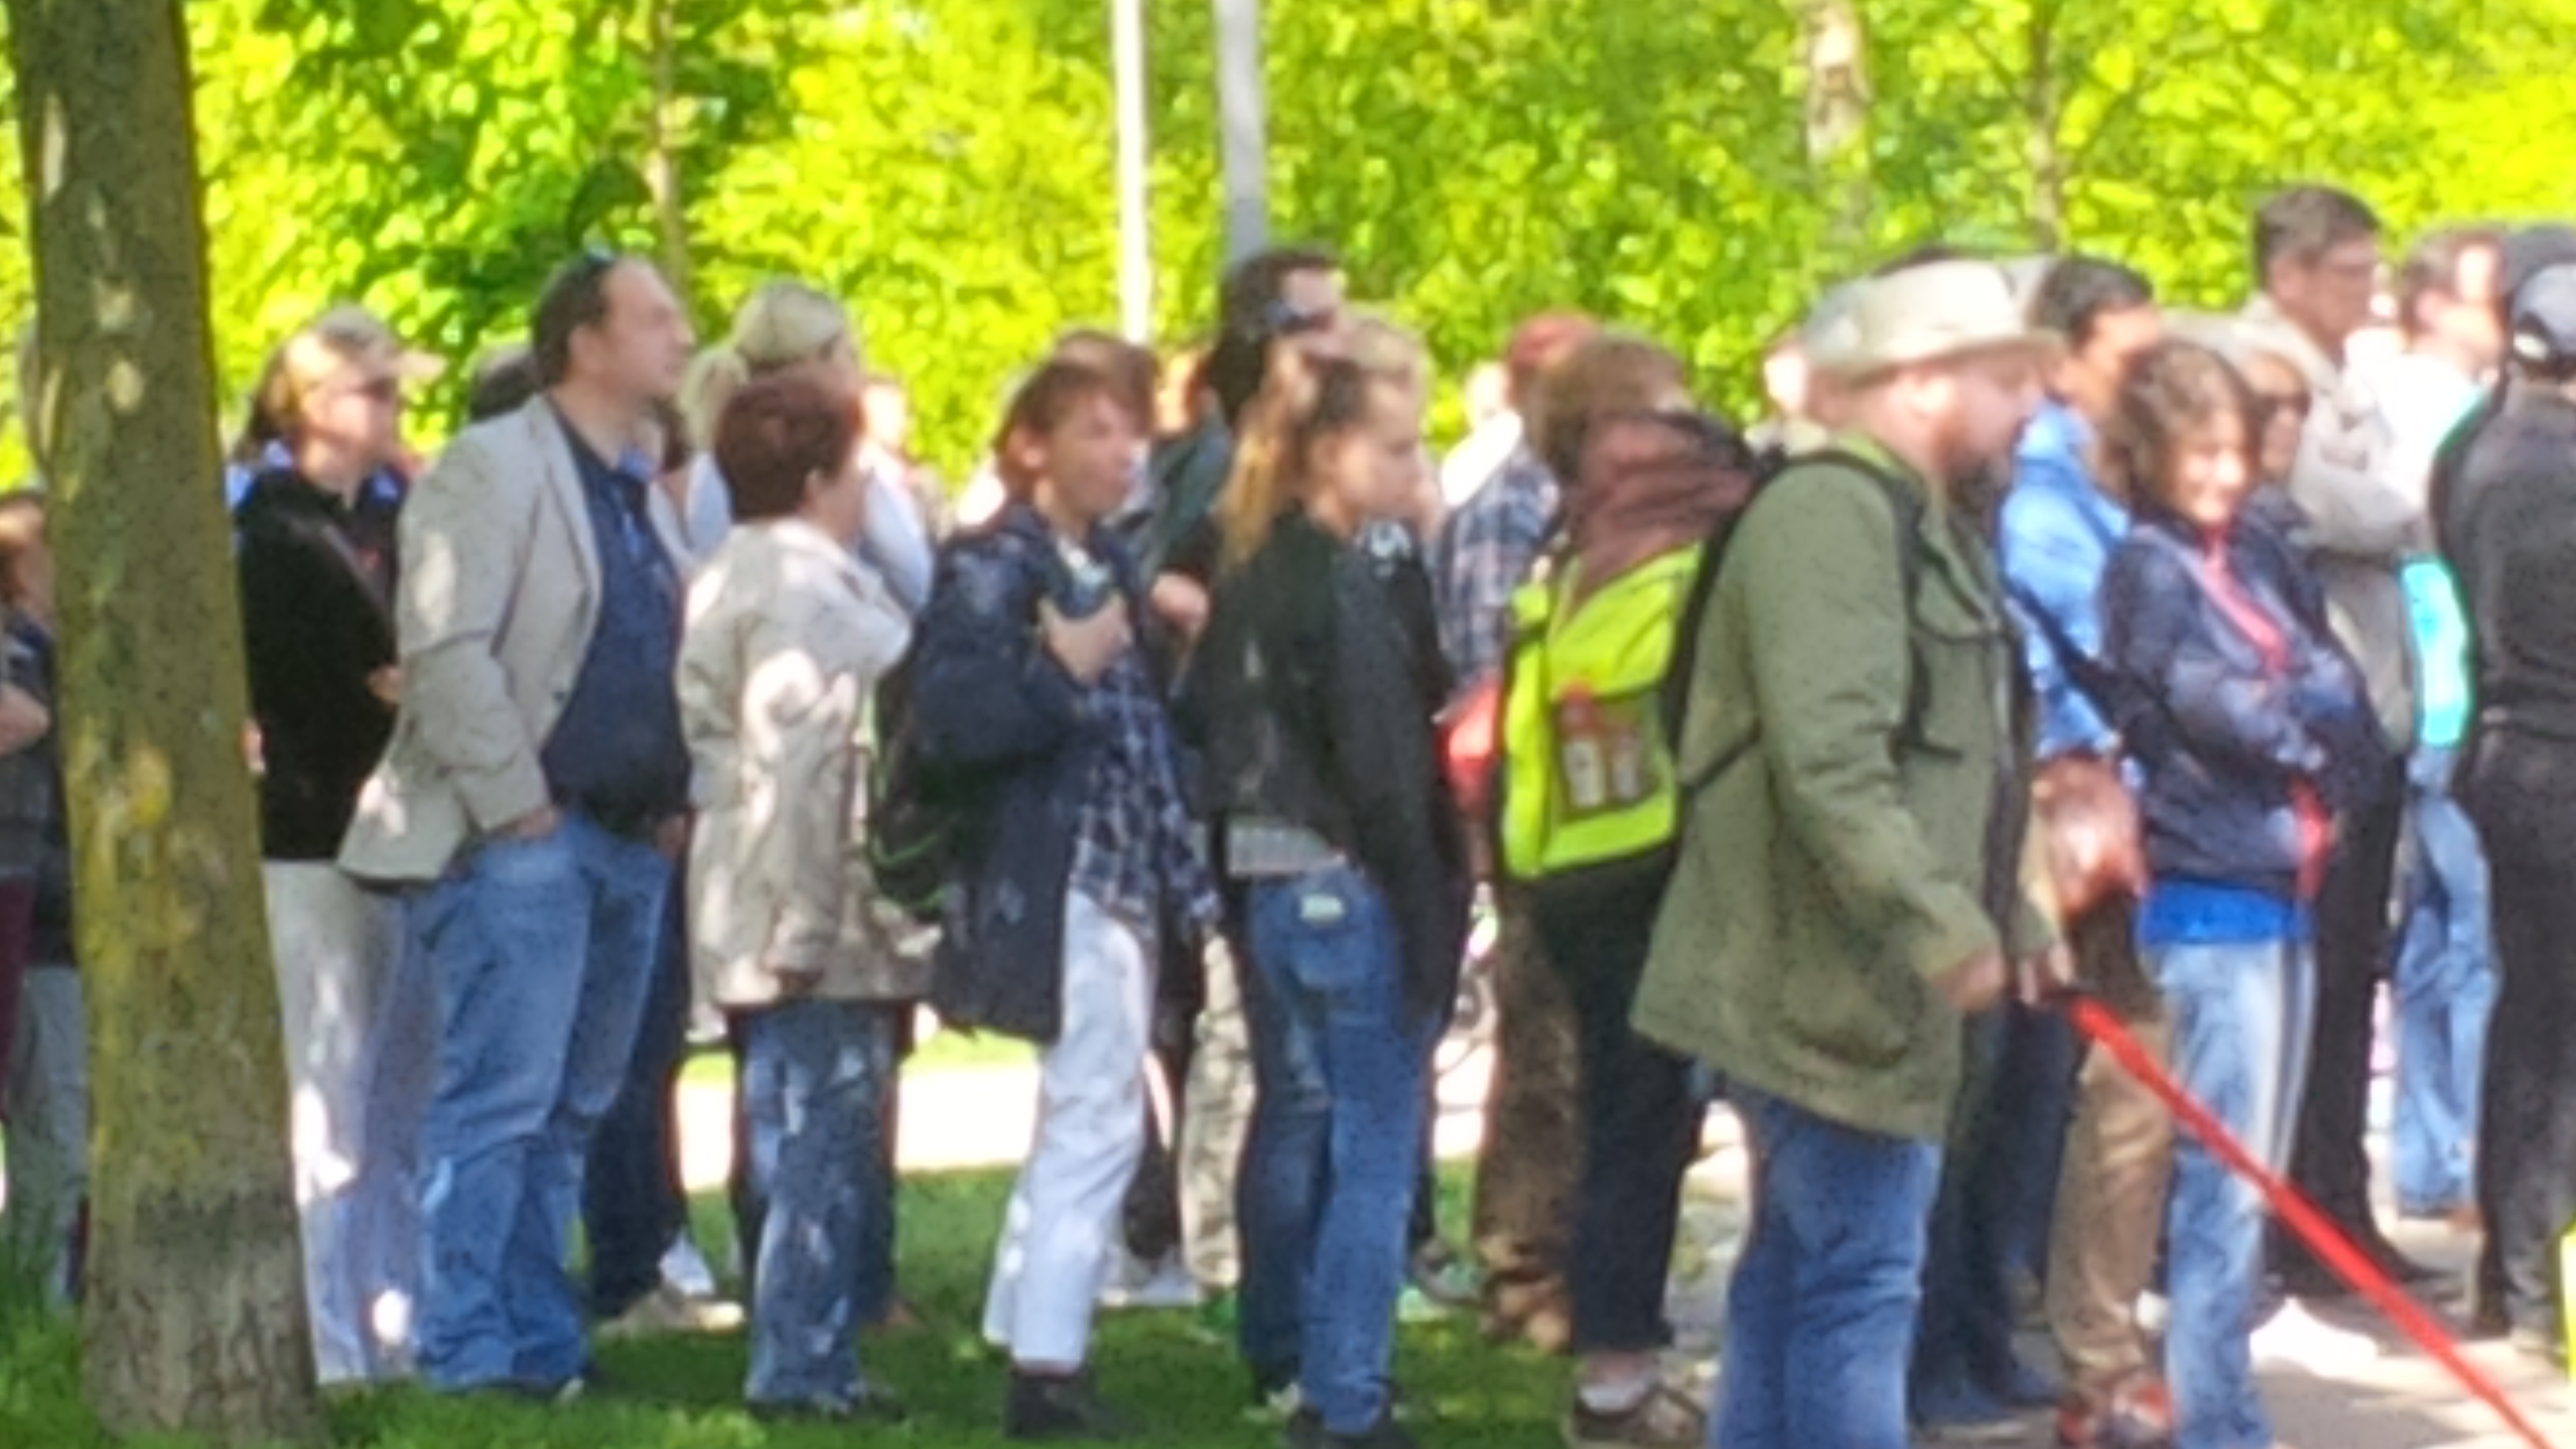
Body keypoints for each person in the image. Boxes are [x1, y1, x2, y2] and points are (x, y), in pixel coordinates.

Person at [1631, 259, 2056, 1449]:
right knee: (1859, 1289)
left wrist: (2012, 916)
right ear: (1919, 384)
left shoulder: (1920, 521)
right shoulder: (1831, 517)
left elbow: (1965, 763)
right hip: (1825, 988)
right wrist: (1945, 929)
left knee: (1798, 1274)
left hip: (1863, 982)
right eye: (2005, 378)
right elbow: (1833, 769)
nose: (2029, 405)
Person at [339, 250, 696, 1399]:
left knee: (575, 1108)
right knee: (500, 1102)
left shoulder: (636, 484)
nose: (683, 335)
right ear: (584, 342)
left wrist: (675, 800)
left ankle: (542, 1342)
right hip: (528, 839)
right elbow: (447, 651)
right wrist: (518, 807)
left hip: (628, 837)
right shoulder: (492, 466)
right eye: (654, 317)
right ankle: (467, 1349)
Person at [909, 358, 1222, 1440]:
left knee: (1083, 1105)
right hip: (1060, 874)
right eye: (1093, 431)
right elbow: (952, 722)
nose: (1122, 453)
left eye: (1129, 433)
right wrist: (1061, 671)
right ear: (1031, 447)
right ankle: (1048, 1367)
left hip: (1123, 869)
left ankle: (1024, 1318)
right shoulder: (994, 565)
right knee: (1099, 1113)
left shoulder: (1109, 560)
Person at [2097, 339, 2383, 1449]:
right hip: (2209, 890)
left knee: (2250, 1177)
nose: (2226, 473)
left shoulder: (2254, 550)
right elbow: (2213, 708)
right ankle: (2216, 1418)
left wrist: (2306, 719)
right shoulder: (2149, 569)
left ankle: (2215, 1403)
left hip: (2286, 878)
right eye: (2201, 453)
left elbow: (2333, 680)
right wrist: (2302, 727)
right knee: (2224, 1178)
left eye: (2237, 451)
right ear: (2153, 454)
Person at [1191, 343, 1469, 1449]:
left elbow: (1204, 719)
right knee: (1372, 1146)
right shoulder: (1337, 581)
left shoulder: (1253, 569)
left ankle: (1286, 1344)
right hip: (1347, 876)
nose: (1412, 469)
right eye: (1393, 449)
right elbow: (1383, 765)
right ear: (1327, 452)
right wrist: (1428, 909)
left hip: (1270, 876)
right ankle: (1345, 1390)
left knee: (1296, 1112)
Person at [1504, 331, 1750, 1447]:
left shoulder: (1573, 550)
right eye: (1668, 407)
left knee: (1632, 1120)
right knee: (1648, 1127)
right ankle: (1619, 1384)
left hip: (1573, 863)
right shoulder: (1683, 540)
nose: (1690, 425)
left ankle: (1620, 1371)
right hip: (1655, 862)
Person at [678, 364, 918, 1421]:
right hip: (807, 890)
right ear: (820, 478)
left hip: (747, 876)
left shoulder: (732, 568)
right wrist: (809, 923)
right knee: (822, 1136)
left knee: (783, 1126)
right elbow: (803, 761)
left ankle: (797, 1347)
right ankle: (803, 1362)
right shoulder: (804, 591)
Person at [2235, 185, 2438, 1293]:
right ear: (2291, 273)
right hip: (2310, 716)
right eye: (2353, 270)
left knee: (2354, 972)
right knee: (2313, 980)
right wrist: (2400, 502)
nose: (2374, 290)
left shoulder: (2348, 379)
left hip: (2371, 702)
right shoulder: (2268, 374)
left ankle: (2335, 1198)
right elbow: (2331, 506)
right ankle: (2299, 1217)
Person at [1997, 256, 2177, 1449]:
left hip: (2149, 812)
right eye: (2129, 361)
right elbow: (2102, 645)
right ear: (2063, 363)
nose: (2148, 382)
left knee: (2128, 1098)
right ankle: (2093, 1357)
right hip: (2078, 818)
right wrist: (2094, 758)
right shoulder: (2045, 499)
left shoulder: (2122, 482)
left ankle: (2093, 1339)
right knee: (2116, 1089)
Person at [233, 308, 424, 1385]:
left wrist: (405, 691)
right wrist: (391, 696)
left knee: (395, 1098)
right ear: (310, 406)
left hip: (395, 838)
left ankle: (388, 1316)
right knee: (325, 1096)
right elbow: (318, 694)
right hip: (312, 840)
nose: (394, 411)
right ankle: (322, 1336)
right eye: (374, 392)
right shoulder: (275, 537)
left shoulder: (389, 525)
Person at [1428, 310, 1598, 1350]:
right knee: (1544, 1048)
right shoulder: (1512, 508)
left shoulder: (1581, 502)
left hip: (1586, 806)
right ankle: (1522, 1262)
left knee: (1575, 1048)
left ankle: (1566, 1255)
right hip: (1536, 806)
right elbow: (1491, 679)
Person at [2362, 230, 2506, 1229]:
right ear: (2432, 304)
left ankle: (2431, 1157)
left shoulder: (2418, 403)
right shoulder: (2442, 412)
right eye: (2486, 296)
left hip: (2431, 697)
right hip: (2452, 690)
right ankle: (2466, 1161)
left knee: (2433, 941)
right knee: (2478, 944)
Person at [2446, 262, 2576, 1360]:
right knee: (2555, 1034)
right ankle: (2539, 1279)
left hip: (2509, 752)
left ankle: (2516, 1275)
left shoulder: (2476, 447)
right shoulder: (2553, 468)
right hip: (2556, 760)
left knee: (2531, 1020)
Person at [680, 281, 938, 614]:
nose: (860, 371)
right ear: (815, 361)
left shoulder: (714, 465)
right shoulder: (846, 463)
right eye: (851, 354)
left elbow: (712, 569)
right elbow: (917, 582)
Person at [0, 494, 80, 1310]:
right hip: (36, 913)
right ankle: (31, 1308)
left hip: (62, 917)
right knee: (54, 1131)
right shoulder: (21, 655)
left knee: (68, 1130)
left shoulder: (66, 656)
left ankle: (52, 1304)